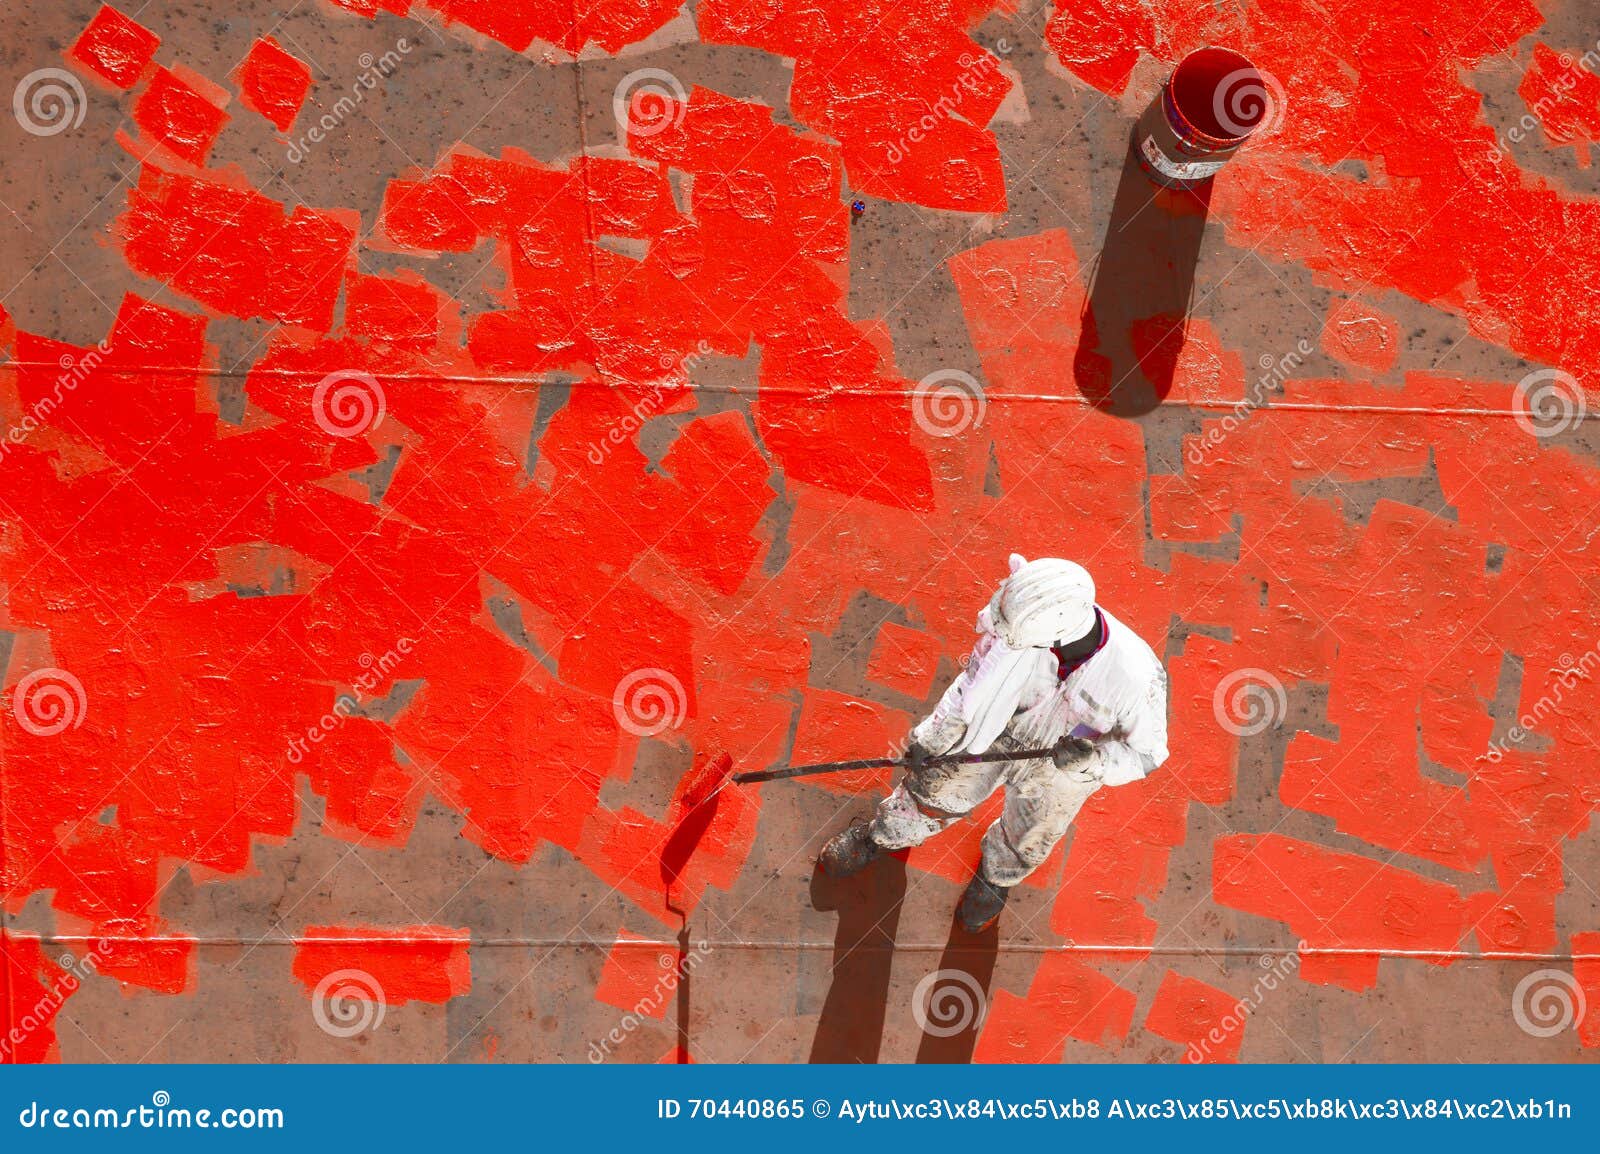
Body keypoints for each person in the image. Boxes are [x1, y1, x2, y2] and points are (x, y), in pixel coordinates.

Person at [819, 554, 1169, 932]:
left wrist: (1092, 763)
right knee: (931, 790)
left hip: (1063, 770)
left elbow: (1147, 755)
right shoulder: (1017, 626)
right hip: (989, 733)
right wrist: (931, 738)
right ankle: (884, 836)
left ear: (1058, 632)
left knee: (1033, 832)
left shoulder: (1137, 677)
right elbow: (971, 684)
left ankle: (996, 877)